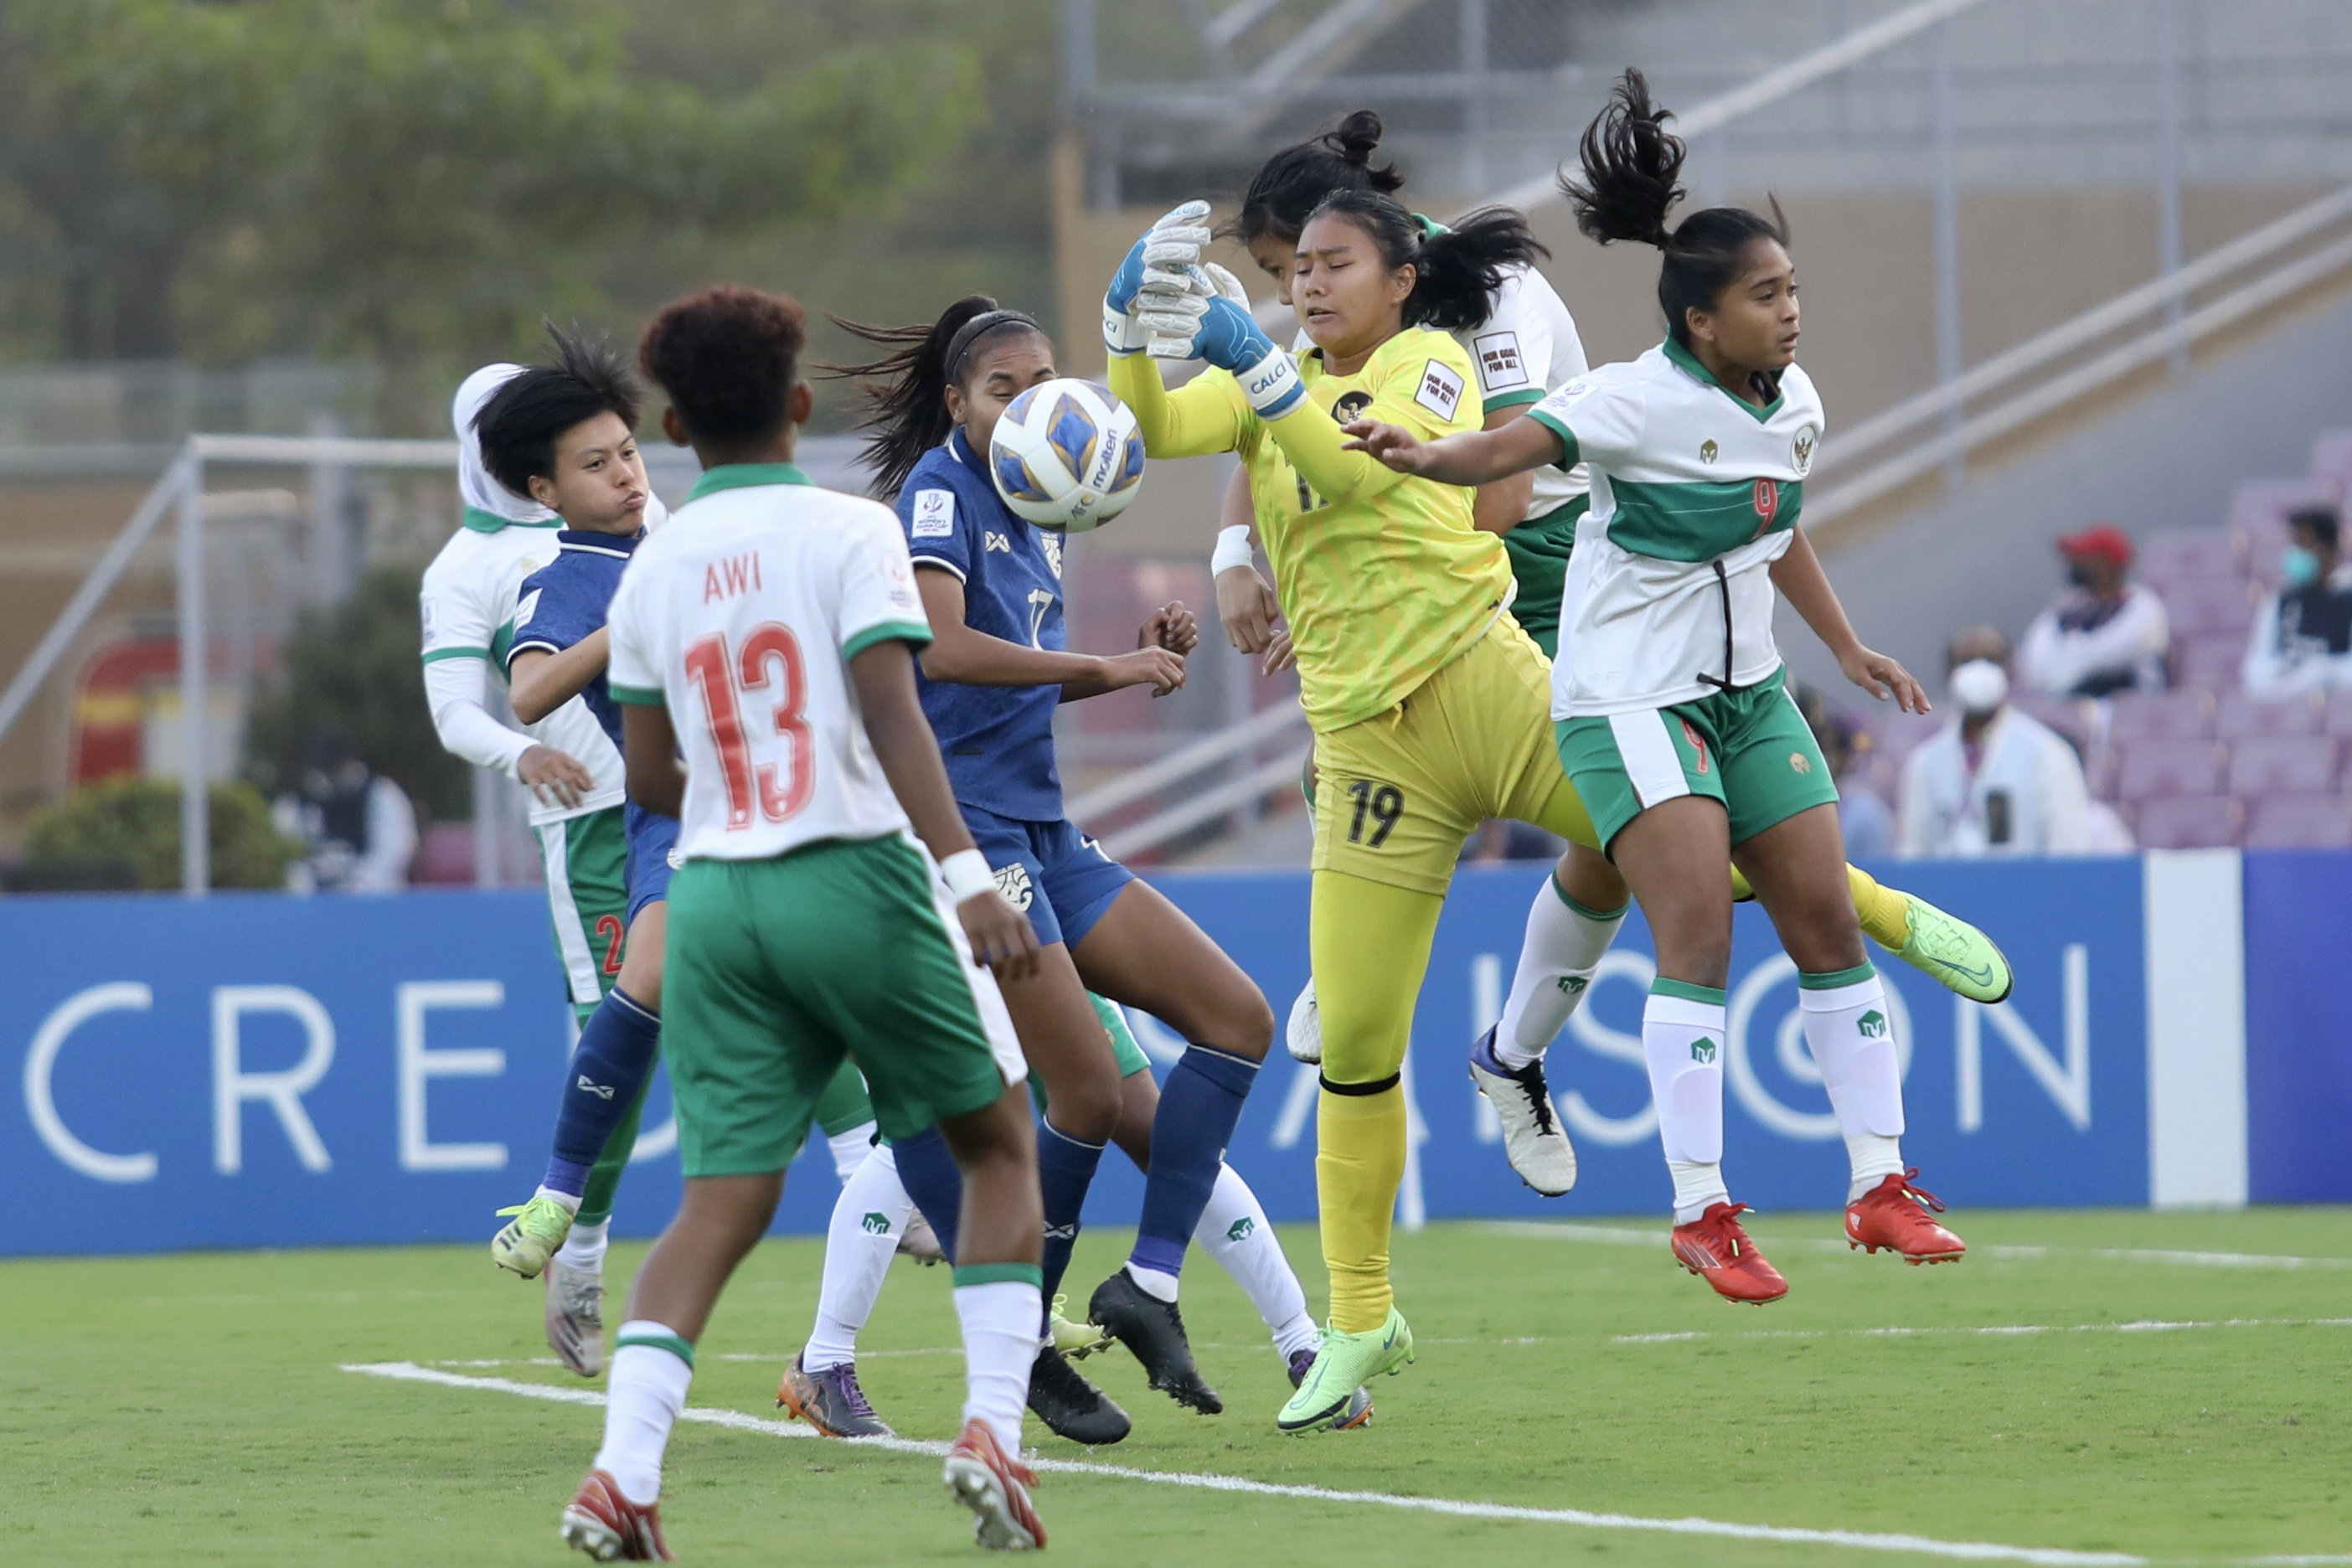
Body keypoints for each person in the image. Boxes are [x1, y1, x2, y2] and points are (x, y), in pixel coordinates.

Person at [1168, 112, 2014, 1214]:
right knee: (1598, 831)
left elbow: (1501, 496)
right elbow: (1285, 413)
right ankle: (1446, 1019)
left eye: (1302, 267)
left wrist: (1370, 574)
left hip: (1559, 574)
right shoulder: (1347, 310)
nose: (1297, 296)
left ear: (1366, 242)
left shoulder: (1491, 299)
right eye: (1286, 278)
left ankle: (1549, 1039)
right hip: (1451, 568)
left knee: (1637, 844)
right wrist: (1245, 551)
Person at [1337, 70, 1973, 1316]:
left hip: (1749, 694)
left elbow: (1772, 521)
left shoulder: (1795, 402)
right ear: (1699, 320)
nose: (1791, 312)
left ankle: (1880, 1183)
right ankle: (1700, 1211)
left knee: (1826, 925)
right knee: (1698, 935)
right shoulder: (1631, 399)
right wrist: (1421, 454)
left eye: (1793, 288)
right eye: (1766, 296)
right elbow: (1504, 449)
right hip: (1630, 698)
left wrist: (1846, 648)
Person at [560, 283, 1050, 1558]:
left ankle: (623, 1475)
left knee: (718, 1202)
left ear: (672, 425)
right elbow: (894, 716)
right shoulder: (851, 529)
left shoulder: (653, 568)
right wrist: (966, 876)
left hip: (716, 898)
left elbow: (649, 775)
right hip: (854, 872)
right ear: (798, 401)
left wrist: (739, 794)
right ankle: (994, 1432)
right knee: (1000, 1148)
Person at [802, 294, 1288, 1442]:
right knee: (1085, 1095)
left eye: (1041, 381)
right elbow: (942, 651)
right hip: (964, 835)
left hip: (1045, 829)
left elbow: (1009, 679)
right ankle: (1013, 1345)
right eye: (1002, 388)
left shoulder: (1048, 500)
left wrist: (1129, 659)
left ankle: (1147, 1282)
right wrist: (1106, 669)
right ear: (959, 404)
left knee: (1237, 1020)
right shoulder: (939, 492)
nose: (1030, 404)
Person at [474, 330, 902, 1373]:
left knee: (829, 994)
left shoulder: (694, 534)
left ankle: (883, 1184)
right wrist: (635, 612)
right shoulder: (571, 578)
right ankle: (560, 1195)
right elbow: (528, 692)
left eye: (628, 452)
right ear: (544, 490)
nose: (625, 475)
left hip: (792, 797)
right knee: (649, 981)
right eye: (595, 464)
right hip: (680, 811)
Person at [778, 992, 1372, 1441]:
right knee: (917, 1125)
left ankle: (1302, 1346)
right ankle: (827, 1360)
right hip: (957, 927)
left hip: (1039, 922)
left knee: (1158, 1132)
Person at [420, 363, 665, 1375]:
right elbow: (455, 711)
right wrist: (523, 755)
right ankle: (583, 1256)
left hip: (695, 805)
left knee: (784, 993)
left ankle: (879, 1184)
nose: (617, 469)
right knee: (627, 1038)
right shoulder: (462, 570)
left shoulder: (638, 511)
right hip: (592, 833)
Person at [1899, 628, 2095, 859]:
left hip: (2024, 880)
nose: (1979, 670)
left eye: (1991, 660)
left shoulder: (2049, 752)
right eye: (1966, 661)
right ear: (1949, 674)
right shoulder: (1925, 762)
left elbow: (2068, 846)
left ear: (2009, 671)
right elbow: (1914, 850)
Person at [2018, 522, 2169, 697]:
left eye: (2083, 556)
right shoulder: (2068, 606)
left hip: (2134, 706)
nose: (2073, 563)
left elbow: (2111, 654)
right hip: (2072, 705)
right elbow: (2033, 660)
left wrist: (2064, 667)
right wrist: (2064, 672)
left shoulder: (2143, 603)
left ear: (2105, 564)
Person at [2241, 504, 2352, 694]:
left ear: (2328, 552)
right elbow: (2254, 672)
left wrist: (2323, 672)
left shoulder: (2347, 602)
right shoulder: (2278, 604)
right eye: (2293, 545)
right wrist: (2292, 676)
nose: (2294, 554)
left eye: (2303, 546)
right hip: (2285, 704)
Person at [1796, 688, 1894, 861]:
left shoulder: (1865, 814)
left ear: (1846, 758)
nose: (1822, 758)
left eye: (1829, 750)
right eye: (1818, 749)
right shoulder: (1787, 807)